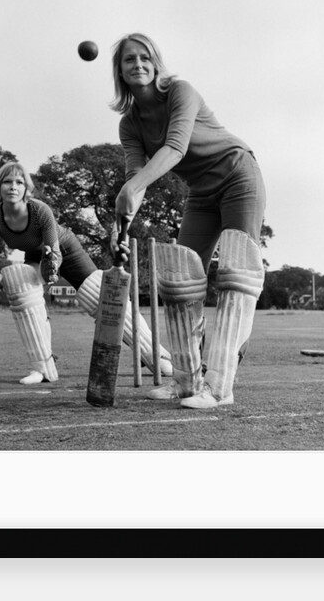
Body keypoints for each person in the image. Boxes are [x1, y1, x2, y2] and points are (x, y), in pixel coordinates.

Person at [109, 32, 267, 410]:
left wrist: (133, 187)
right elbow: (137, 179)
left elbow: (175, 148)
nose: (138, 65)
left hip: (237, 175)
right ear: (120, 71)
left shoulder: (181, 91)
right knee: (179, 280)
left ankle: (220, 385)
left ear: (156, 61)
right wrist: (121, 224)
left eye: (145, 58)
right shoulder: (130, 124)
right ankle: (186, 381)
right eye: (129, 60)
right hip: (201, 193)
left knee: (235, 275)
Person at [0, 160, 173, 385]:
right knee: (21, 288)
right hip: (35, 254)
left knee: (101, 296)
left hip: (61, 247)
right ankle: (42, 366)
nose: (13, 187)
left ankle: (154, 355)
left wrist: (50, 269)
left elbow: (53, 253)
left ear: (27, 188)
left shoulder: (39, 210)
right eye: (7, 182)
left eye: (19, 182)